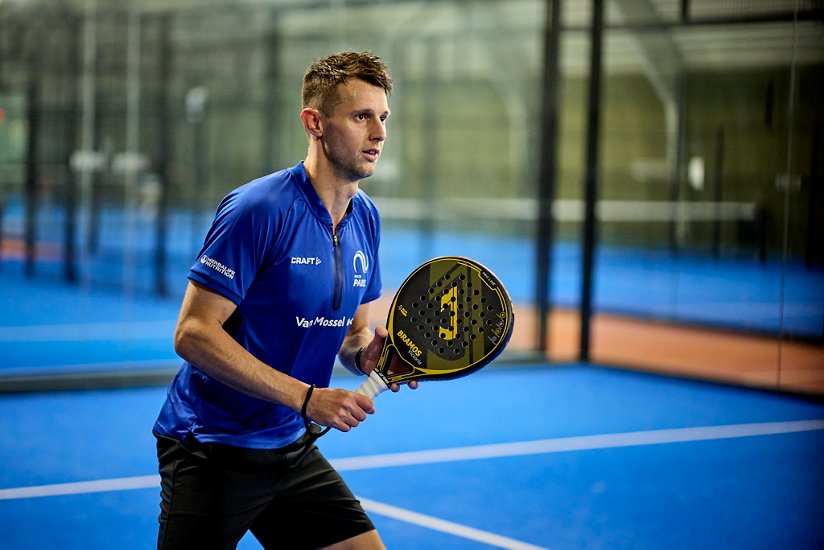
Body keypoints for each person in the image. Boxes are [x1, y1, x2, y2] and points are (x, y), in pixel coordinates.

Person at [153, 51, 415, 550]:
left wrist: (365, 354)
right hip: (213, 447)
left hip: (290, 447)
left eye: (382, 117)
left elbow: (355, 332)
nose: (379, 133)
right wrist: (308, 398)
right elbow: (192, 334)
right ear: (314, 122)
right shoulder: (259, 209)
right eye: (361, 117)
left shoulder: (366, 219)